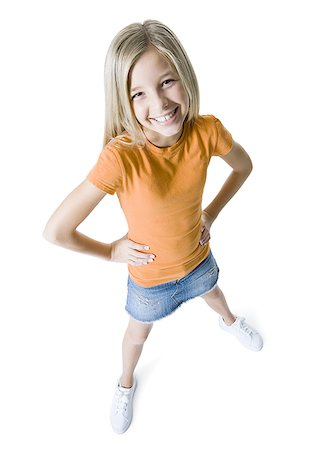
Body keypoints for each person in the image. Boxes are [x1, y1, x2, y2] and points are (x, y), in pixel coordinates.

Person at [43, 19, 263, 434]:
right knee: (137, 336)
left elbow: (244, 166)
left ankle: (230, 321)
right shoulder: (120, 157)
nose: (159, 104)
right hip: (149, 281)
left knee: (214, 293)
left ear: (184, 75)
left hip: (197, 260)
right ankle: (126, 381)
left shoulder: (207, 131)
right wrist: (109, 251)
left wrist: (211, 213)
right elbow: (56, 230)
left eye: (166, 82)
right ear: (123, 101)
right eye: (138, 93)